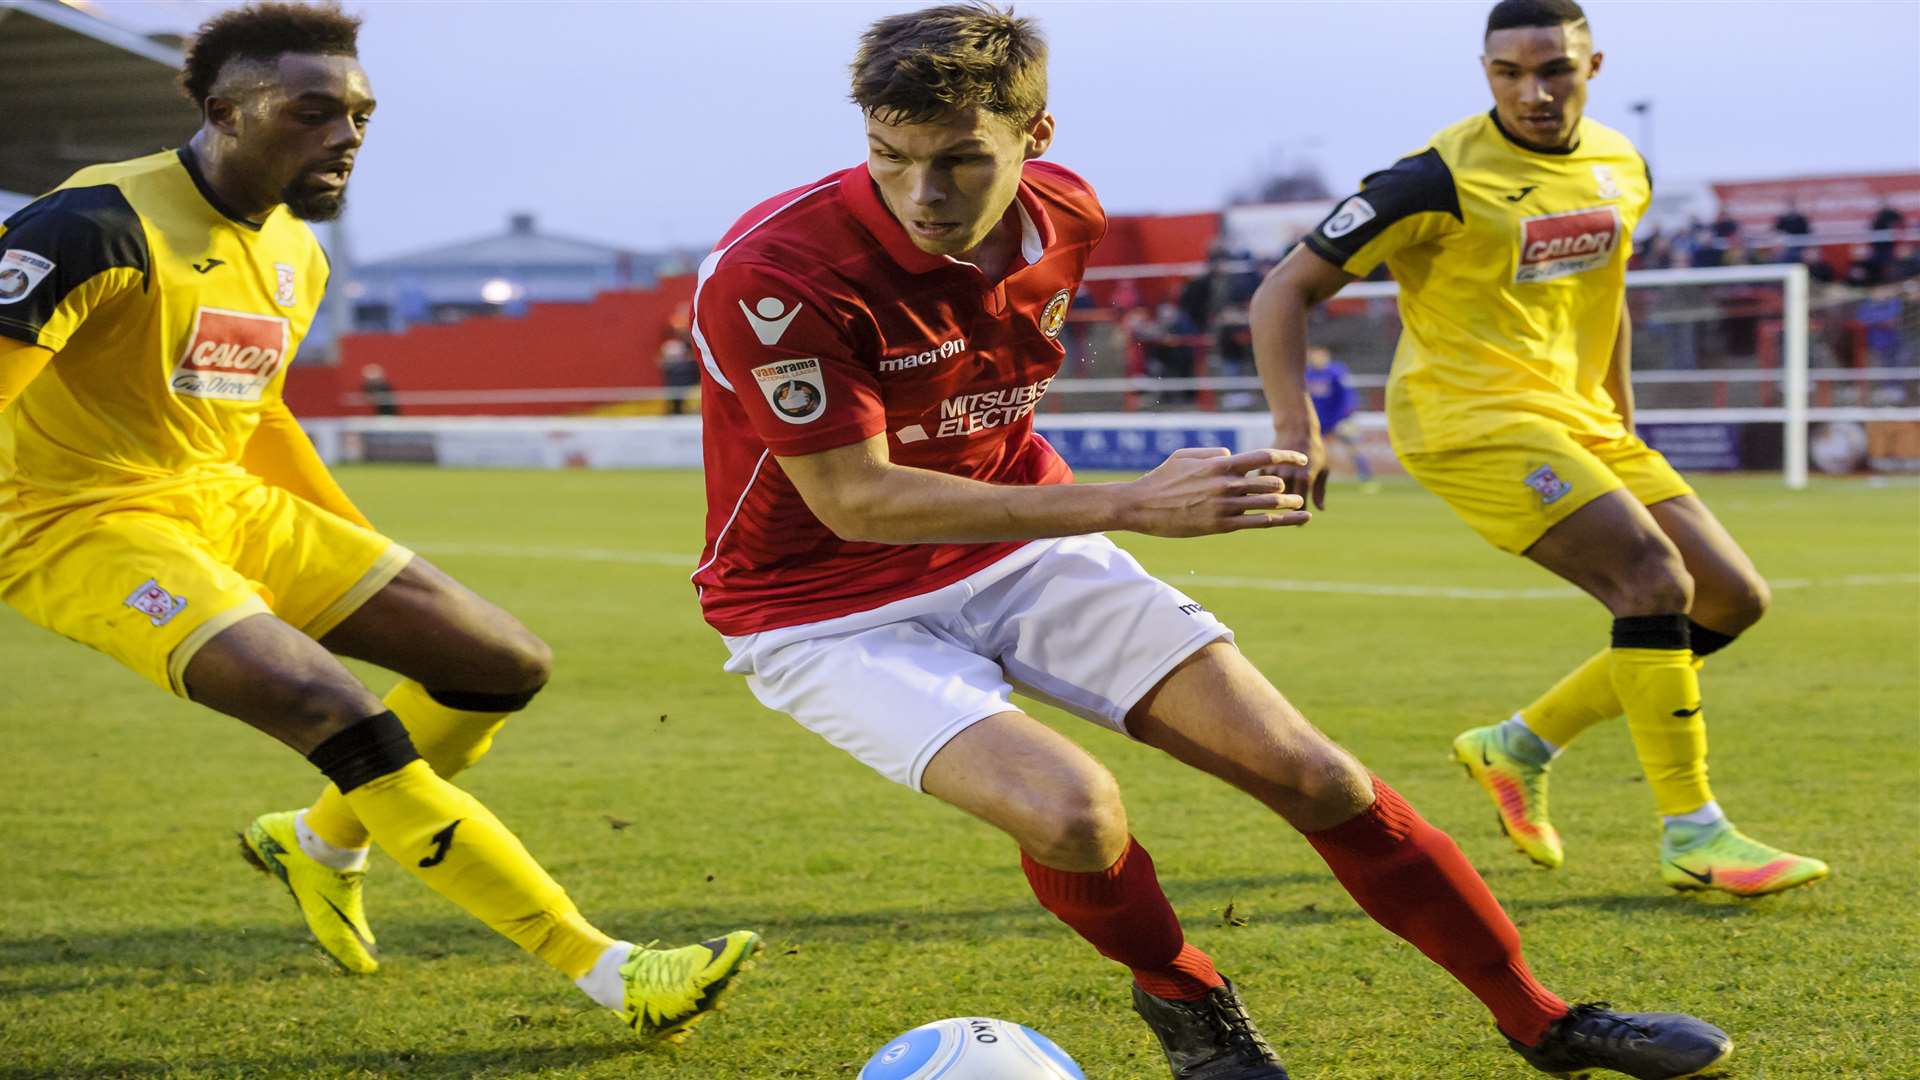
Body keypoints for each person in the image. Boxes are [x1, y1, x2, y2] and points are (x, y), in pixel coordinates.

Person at [691, 5, 1730, 1078]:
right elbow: (855, 501)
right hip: (819, 606)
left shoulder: (1068, 214)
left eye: (961, 161)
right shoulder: (774, 272)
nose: (924, 196)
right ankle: (1195, 1013)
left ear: (1034, 135)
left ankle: (1541, 1020)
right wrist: (1131, 504)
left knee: (1317, 777)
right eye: (891, 159)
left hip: (1015, 551)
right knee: (1074, 813)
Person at [0, 2, 756, 1040]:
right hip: (76, 523)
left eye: (359, 113)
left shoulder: (295, 254)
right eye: (312, 111)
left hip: (223, 497)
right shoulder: (90, 225)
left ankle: (313, 846)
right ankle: (609, 969)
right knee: (333, 707)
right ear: (225, 111)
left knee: (498, 662)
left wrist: (359, 557)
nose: (345, 135)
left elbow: (253, 412)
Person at [1251, 0, 1826, 900]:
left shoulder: (1621, 163)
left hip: (1577, 415)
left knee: (1731, 597)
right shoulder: (1430, 178)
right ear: (1484, 72)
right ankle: (1694, 832)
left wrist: (1622, 416)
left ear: (1593, 65)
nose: (1534, 91)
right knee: (1654, 582)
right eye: (1508, 72)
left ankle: (1515, 747)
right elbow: (1282, 291)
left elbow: (1610, 292)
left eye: (1554, 69)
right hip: (1466, 419)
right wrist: (1299, 430)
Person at [1304, 345, 1375, 488]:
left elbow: (1348, 396)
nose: (1314, 358)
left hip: (1341, 418)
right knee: (1316, 449)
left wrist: (1345, 415)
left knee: (1352, 446)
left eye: (1318, 355)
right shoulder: (1308, 374)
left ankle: (1365, 475)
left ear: (1325, 355)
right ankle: (1316, 477)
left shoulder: (1336, 372)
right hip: (1319, 419)